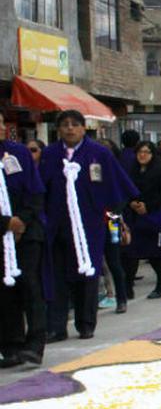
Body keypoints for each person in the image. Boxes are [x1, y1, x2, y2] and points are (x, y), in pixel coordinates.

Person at [40, 110, 137, 340]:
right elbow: (42, 187)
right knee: (58, 275)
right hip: (58, 224)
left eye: (75, 124)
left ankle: (86, 323)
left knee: (88, 273)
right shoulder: (51, 154)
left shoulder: (99, 154)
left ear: (84, 128)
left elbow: (117, 186)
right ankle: (56, 326)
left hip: (90, 225)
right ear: (58, 129)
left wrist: (109, 214)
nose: (70, 129)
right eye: (65, 125)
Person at [0, 115, 46, 367]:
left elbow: (35, 190)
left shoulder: (17, 154)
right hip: (3, 229)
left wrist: (22, 220)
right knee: (6, 292)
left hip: (26, 232)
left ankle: (35, 343)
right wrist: (5, 223)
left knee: (29, 284)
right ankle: (11, 346)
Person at [122, 141, 161, 298]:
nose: (142, 155)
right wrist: (132, 203)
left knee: (156, 256)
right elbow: (126, 190)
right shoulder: (132, 171)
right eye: (140, 151)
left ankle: (160, 287)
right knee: (130, 254)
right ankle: (127, 288)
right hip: (135, 218)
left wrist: (148, 206)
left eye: (146, 152)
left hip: (155, 217)